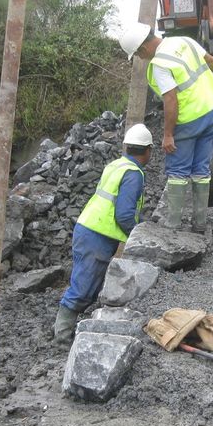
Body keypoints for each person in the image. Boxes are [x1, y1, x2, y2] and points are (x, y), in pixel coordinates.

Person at [118, 22, 213, 232]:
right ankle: (200, 224)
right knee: (201, 170)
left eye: (138, 55)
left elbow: (171, 100)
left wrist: (168, 134)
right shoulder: (184, 41)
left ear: (142, 48)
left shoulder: (160, 63)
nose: (141, 59)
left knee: (178, 172)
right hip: (211, 111)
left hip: (188, 119)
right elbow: (212, 61)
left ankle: (174, 225)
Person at [53, 123, 153, 342]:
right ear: (148, 151)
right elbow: (125, 215)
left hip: (89, 228)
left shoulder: (116, 165)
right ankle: (62, 335)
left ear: (126, 147)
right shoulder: (133, 174)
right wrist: (139, 236)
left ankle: (69, 328)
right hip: (96, 234)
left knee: (91, 282)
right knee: (84, 284)